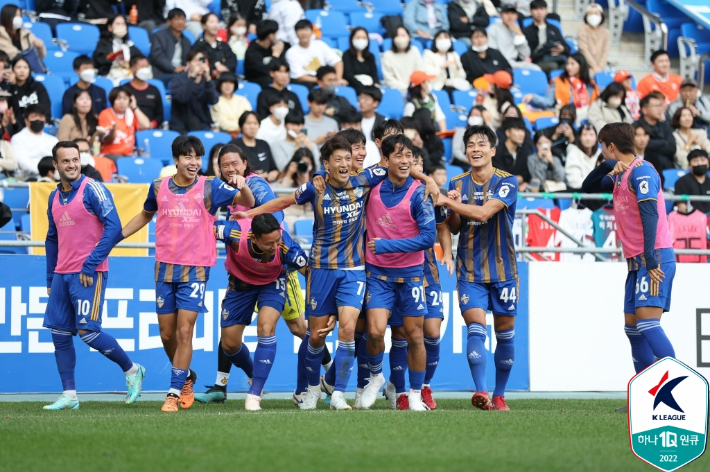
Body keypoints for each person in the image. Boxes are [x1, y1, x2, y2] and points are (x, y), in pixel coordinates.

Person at [120, 135, 254, 412]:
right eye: (188, 157)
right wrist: (116, 237)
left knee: (184, 332)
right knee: (166, 334)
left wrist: (242, 184)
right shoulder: (158, 187)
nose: (194, 163)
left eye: (198, 157)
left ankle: (173, 391)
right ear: (176, 160)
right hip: (164, 269)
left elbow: (248, 201)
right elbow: (145, 216)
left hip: (195, 271)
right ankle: (187, 377)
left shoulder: (210, 186)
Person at [42, 141, 145, 411]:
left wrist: (90, 264)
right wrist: (50, 279)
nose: (72, 165)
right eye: (65, 161)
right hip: (62, 274)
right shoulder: (53, 197)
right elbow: (51, 239)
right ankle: (70, 396)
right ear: (55, 165)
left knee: (88, 332)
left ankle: (132, 370)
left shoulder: (93, 189)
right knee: (60, 334)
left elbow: (114, 227)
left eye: (75, 159)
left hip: (89, 273)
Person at [582, 122, 676, 378]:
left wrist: (650, 258)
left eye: (602, 148)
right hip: (636, 262)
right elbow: (585, 194)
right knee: (633, 330)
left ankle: (680, 387)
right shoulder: (620, 172)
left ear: (611, 146)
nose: (602, 152)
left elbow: (650, 216)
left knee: (648, 324)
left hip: (652, 257)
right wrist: (606, 166)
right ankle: (644, 397)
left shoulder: (642, 172)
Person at [437, 124, 520, 411]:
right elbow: (455, 226)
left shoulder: (507, 181)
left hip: (504, 270)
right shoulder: (457, 183)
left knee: (505, 333)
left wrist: (448, 202)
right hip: (470, 269)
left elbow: (485, 213)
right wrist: (452, 207)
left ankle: (500, 395)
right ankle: (482, 391)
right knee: (475, 327)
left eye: (481, 144)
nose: (475, 149)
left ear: (493, 150)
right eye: (470, 144)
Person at [357, 133, 436, 412]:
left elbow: (428, 238)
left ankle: (414, 394)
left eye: (409, 157)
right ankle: (376, 378)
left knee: (415, 337)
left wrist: (387, 245)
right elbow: (342, 175)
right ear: (386, 159)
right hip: (378, 275)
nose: (405, 162)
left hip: (412, 275)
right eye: (399, 156)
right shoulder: (372, 186)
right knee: (376, 332)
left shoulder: (419, 193)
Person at [205, 212, 309, 410]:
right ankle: (255, 374)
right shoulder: (233, 233)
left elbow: (310, 271)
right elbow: (202, 230)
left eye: (277, 240)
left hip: (272, 282)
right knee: (229, 344)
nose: (275, 246)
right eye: (269, 243)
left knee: (266, 327)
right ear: (254, 238)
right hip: (240, 284)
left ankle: (254, 394)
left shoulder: (286, 246)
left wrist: (316, 306)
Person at [524, 53, 599, 120]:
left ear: (581, 66)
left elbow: (595, 103)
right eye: (567, 64)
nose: (569, 67)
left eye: (572, 64)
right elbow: (548, 102)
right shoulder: (558, 81)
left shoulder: (590, 84)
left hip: (586, 112)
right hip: (566, 114)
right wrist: (533, 97)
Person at [170, 49, 220, 134]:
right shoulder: (177, 80)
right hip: (181, 127)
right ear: (188, 63)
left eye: (202, 60)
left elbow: (214, 100)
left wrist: (208, 78)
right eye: (195, 61)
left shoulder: (207, 82)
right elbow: (182, 98)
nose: (199, 64)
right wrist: (193, 76)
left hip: (203, 125)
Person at [285, 19, 344, 89]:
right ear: (295, 33)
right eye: (300, 30)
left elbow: (338, 62)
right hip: (308, 81)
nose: (303, 33)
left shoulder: (320, 44)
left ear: (312, 31)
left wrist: (338, 79)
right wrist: (323, 81)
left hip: (324, 77)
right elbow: (299, 77)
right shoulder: (291, 52)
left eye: (306, 29)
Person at [98, 87, 150, 158]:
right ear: (113, 101)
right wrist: (112, 131)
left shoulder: (131, 114)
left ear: (130, 100)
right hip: (109, 154)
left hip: (128, 155)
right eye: (118, 99)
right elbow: (108, 140)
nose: (122, 102)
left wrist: (134, 107)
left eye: (125, 99)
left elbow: (146, 125)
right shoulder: (105, 114)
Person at [6, 56, 51, 136]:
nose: (22, 70)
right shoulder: (9, 89)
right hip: (18, 127)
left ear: (29, 70)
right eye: (18, 67)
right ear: (12, 70)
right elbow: (14, 111)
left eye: (25, 67)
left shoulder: (38, 86)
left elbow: (46, 109)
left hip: (39, 124)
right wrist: (13, 86)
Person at [487, 4, 539, 71]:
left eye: (513, 13)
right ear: (501, 15)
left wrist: (520, 35)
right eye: (507, 13)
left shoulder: (517, 30)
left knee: (536, 69)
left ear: (516, 16)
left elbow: (525, 55)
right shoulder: (493, 29)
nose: (510, 16)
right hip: (498, 64)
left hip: (514, 63)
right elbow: (491, 53)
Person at [93, 15, 142, 86]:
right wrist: (120, 59)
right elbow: (100, 58)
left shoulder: (129, 44)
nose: (121, 26)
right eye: (118, 24)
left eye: (123, 24)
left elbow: (140, 58)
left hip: (129, 75)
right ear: (110, 27)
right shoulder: (103, 43)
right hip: (110, 75)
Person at [229, 111, 279, 181]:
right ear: (241, 126)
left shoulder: (264, 144)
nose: (252, 127)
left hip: (266, 185)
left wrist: (273, 173)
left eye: (255, 123)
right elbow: (231, 171)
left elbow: (273, 168)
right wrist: (255, 176)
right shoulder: (234, 146)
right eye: (248, 123)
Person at [523, 0, 570, 75]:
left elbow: (567, 48)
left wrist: (562, 49)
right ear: (531, 11)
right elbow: (528, 53)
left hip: (556, 59)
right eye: (536, 9)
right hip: (539, 61)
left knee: (570, 66)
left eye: (542, 9)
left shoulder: (554, 28)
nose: (539, 12)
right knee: (553, 65)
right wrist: (547, 51)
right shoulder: (526, 31)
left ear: (546, 11)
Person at [12, 105, 58, 178]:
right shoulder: (18, 138)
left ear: (45, 120)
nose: (38, 119)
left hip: (53, 177)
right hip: (29, 178)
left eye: (41, 117)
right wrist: (44, 172)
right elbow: (22, 162)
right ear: (26, 120)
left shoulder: (53, 140)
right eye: (34, 116)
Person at [149, 8, 192, 86]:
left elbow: (189, 59)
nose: (180, 22)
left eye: (183, 19)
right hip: (163, 74)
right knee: (189, 76)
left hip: (181, 73)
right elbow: (157, 57)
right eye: (176, 19)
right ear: (169, 21)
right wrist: (173, 69)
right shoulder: (159, 36)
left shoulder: (186, 41)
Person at [637, 93, 676, 172]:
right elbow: (642, 146)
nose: (659, 109)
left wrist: (652, 144)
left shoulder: (665, 126)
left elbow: (672, 148)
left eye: (660, 106)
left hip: (667, 167)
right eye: (655, 106)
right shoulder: (637, 127)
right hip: (646, 168)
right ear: (644, 109)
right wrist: (663, 142)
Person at [191, 13, 238, 77]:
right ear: (204, 25)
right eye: (211, 22)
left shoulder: (224, 45)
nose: (215, 25)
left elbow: (232, 60)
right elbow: (198, 63)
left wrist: (224, 69)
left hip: (225, 78)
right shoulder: (198, 46)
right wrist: (214, 67)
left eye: (217, 22)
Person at [382, 26, 423, 95]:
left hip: (414, 89)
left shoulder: (414, 51)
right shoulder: (387, 55)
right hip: (396, 92)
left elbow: (420, 71)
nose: (400, 38)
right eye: (397, 35)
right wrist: (405, 88)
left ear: (409, 38)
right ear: (393, 39)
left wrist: (412, 87)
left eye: (403, 35)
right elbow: (389, 79)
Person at [125, 55, 164, 129]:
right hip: (130, 128)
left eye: (147, 66)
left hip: (150, 129)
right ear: (132, 69)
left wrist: (152, 124)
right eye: (142, 66)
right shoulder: (125, 89)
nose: (145, 69)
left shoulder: (154, 90)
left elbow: (159, 114)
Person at [492, 118, 532, 190]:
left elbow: (526, 174)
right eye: (517, 130)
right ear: (508, 132)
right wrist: (518, 180)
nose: (521, 134)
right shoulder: (496, 152)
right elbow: (501, 177)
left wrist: (524, 181)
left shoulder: (524, 151)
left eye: (522, 130)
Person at [244, 19, 286, 88]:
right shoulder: (251, 52)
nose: (277, 36)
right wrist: (275, 55)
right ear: (271, 36)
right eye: (276, 33)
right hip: (257, 81)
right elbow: (266, 72)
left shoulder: (276, 46)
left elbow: (284, 67)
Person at [210, 72, 252, 136]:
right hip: (226, 134)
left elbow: (249, 118)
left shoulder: (242, 100)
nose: (228, 85)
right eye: (225, 82)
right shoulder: (215, 102)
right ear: (220, 85)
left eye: (231, 82)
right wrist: (243, 126)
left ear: (234, 85)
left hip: (244, 133)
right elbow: (222, 123)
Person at [342, 27, 380, 94]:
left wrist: (375, 83)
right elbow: (348, 75)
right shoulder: (347, 55)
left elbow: (374, 74)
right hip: (354, 87)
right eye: (358, 37)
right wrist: (362, 87)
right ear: (352, 39)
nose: (361, 40)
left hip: (370, 87)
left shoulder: (371, 56)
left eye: (364, 38)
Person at [577, 3, 609, 75]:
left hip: (600, 67)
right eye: (590, 13)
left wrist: (599, 67)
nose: (593, 15)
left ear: (601, 16)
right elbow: (583, 49)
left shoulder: (606, 32)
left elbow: (605, 52)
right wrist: (594, 66)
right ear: (586, 16)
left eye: (596, 13)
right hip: (585, 65)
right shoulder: (582, 29)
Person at [565, 123, 601, 189]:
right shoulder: (573, 153)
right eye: (584, 135)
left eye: (591, 135)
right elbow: (574, 182)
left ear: (596, 137)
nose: (588, 138)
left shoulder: (601, 154)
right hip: (580, 194)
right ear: (579, 137)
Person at [675, 149, 710, 213]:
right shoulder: (682, 182)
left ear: (708, 163)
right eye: (695, 161)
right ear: (689, 165)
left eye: (703, 160)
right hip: (691, 219)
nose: (700, 163)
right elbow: (681, 206)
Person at [358, 86, 385, 159]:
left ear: (375, 103)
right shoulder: (353, 119)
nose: (361, 101)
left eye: (366, 99)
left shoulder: (383, 121)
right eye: (360, 98)